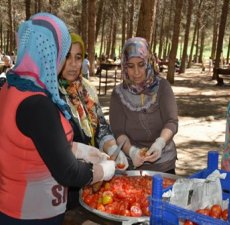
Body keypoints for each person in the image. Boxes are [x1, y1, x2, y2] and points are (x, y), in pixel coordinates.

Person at [0, 13, 115, 225]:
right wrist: (103, 171)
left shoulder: (11, 87)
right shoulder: (36, 103)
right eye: (63, 52)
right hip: (31, 215)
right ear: (52, 53)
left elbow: (37, 145)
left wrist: (80, 150)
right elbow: (68, 173)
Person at [58, 33, 129, 209]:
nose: (74, 64)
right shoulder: (52, 93)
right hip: (64, 184)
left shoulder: (87, 89)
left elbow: (101, 127)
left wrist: (112, 147)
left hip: (94, 179)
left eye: (78, 57)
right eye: (67, 57)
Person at [109, 37, 178, 174]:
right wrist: (132, 151)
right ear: (124, 66)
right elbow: (119, 132)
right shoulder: (118, 94)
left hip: (163, 163)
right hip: (132, 164)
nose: (136, 72)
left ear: (148, 62)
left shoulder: (162, 87)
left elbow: (171, 122)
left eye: (141, 64)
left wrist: (160, 143)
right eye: (130, 66)